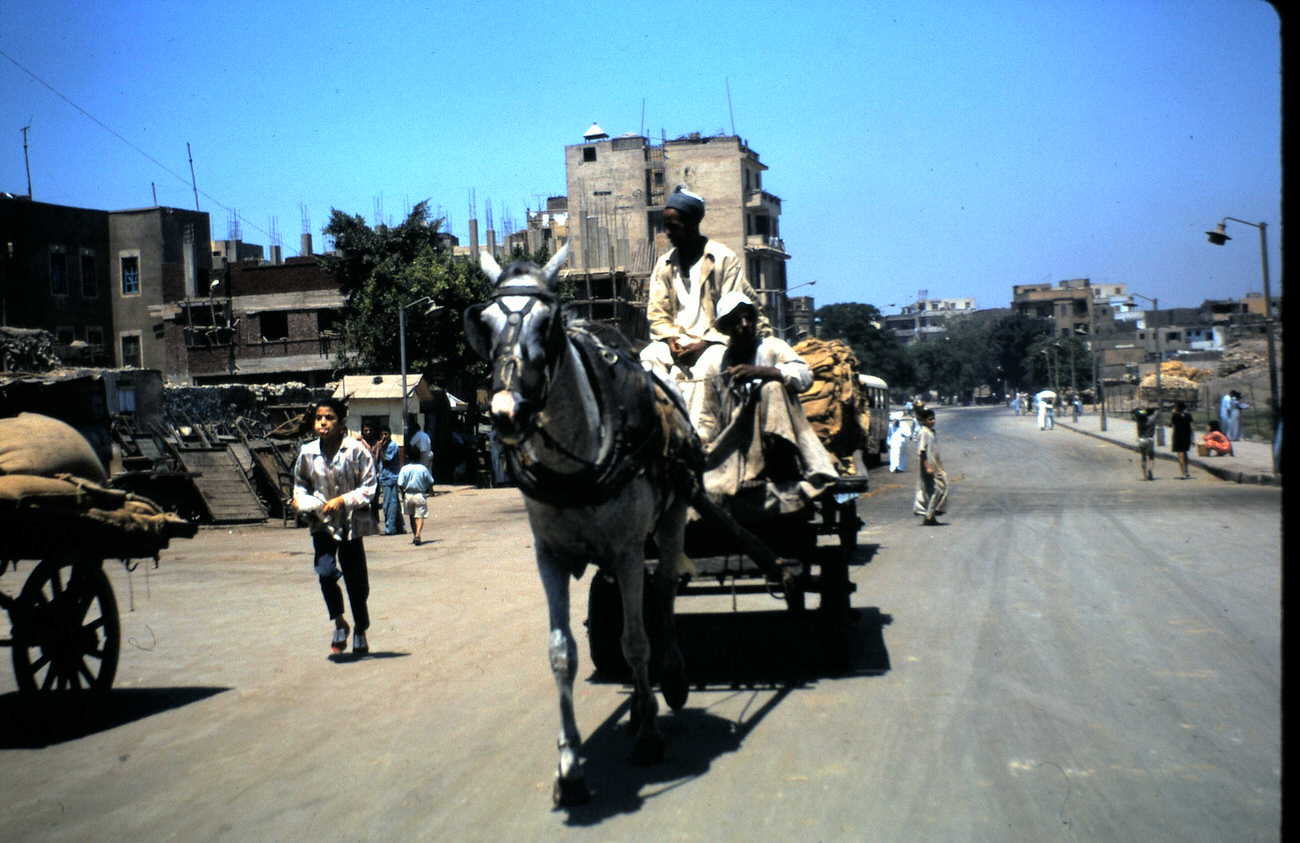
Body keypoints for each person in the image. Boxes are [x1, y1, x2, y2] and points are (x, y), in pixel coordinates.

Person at [638, 185, 771, 431]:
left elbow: (734, 311)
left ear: (692, 223)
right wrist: (670, 340)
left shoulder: (723, 259)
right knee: (648, 358)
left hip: (717, 342)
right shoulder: (664, 264)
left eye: (673, 226)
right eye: (665, 226)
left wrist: (704, 344)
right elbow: (657, 314)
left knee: (708, 365)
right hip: (676, 342)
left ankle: (700, 438)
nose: (667, 233)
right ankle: (663, 432)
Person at [695, 291, 838, 511]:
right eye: (737, 320)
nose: (744, 325)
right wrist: (701, 442)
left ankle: (779, 467)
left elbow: (804, 376)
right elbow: (708, 415)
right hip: (736, 444)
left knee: (772, 386)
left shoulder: (772, 347)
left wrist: (760, 371)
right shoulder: (717, 363)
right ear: (726, 326)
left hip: (778, 444)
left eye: (748, 318)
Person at [292, 397, 376, 656]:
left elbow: (369, 486)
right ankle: (340, 623)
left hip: (351, 523)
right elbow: (300, 484)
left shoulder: (356, 450)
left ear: (340, 423)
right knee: (326, 572)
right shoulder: (307, 451)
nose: (323, 423)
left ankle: (360, 628)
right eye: (319, 418)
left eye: (329, 418)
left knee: (356, 582)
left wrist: (343, 500)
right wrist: (300, 501)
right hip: (322, 524)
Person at [912, 408, 947, 525]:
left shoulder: (931, 432)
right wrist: (927, 467)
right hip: (928, 467)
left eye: (933, 419)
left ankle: (931, 515)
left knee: (939, 488)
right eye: (930, 419)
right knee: (935, 490)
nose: (933, 421)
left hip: (935, 466)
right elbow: (922, 451)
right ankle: (928, 516)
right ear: (923, 420)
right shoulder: (924, 432)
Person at [397, 443, 436, 546]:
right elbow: (430, 481)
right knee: (420, 516)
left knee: (411, 517)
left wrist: (403, 493)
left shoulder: (404, 469)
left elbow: (400, 483)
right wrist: (431, 491)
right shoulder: (423, 468)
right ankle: (418, 534)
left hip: (408, 495)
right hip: (420, 495)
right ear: (419, 456)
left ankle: (415, 535)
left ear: (408, 456)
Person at [375, 426, 404, 535]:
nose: (384, 437)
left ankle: (390, 528)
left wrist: (381, 448)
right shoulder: (382, 446)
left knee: (388, 504)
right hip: (384, 477)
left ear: (390, 434)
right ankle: (399, 526)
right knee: (393, 502)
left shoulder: (392, 446)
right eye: (382, 434)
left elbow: (387, 460)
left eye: (386, 434)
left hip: (390, 478)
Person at [1132, 405, 1157, 480]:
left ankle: (1144, 476)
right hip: (1150, 439)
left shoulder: (1139, 420)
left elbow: (1134, 411)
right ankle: (1150, 469)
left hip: (1142, 439)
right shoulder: (1152, 419)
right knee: (1151, 457)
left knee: (1143, 457)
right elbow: (1155, 412)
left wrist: (1141, 409)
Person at [1170, 400, 1193, 479]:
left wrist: (1173, 413)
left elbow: (1172, 425)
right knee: (1185, 453)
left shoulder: (1175, 415)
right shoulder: (1188, 415)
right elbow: (1191, 426)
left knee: (1180, 455)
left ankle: (1183, 472)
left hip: (1178, 435)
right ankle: (1186, 471)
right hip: (1187, 435)